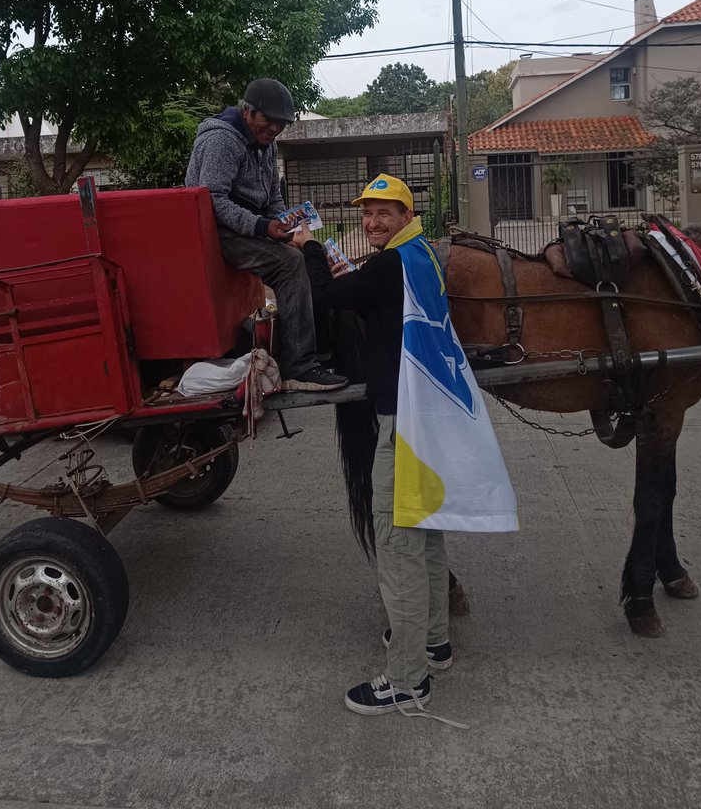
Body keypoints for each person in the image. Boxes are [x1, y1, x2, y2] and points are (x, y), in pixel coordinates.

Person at [292, 174, 517, 719]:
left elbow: (326, 296)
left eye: (382, 212)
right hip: (430, 418)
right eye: (366, 213)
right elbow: (379, 306)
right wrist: (354, 274)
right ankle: (434, 643)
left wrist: (311, 249)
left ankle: (407, 681)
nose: (372, 222)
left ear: (404, 214)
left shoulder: (392, 265)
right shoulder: (419, 258)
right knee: (427, 528)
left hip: (405, 422)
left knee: (398, 544)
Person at [185, 78, 347, 393]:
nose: (274, 129)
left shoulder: (267, 145)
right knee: (289, 263)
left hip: (246, 226)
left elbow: (273, 200)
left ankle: (314, 346)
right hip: (217, 231)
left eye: (281, 124)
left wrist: (284, 224)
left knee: (306, 254)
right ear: (247, 111)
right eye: (268, 120)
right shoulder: (222, 140)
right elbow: (213, 200)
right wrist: (263, 228)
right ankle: (299, 366)